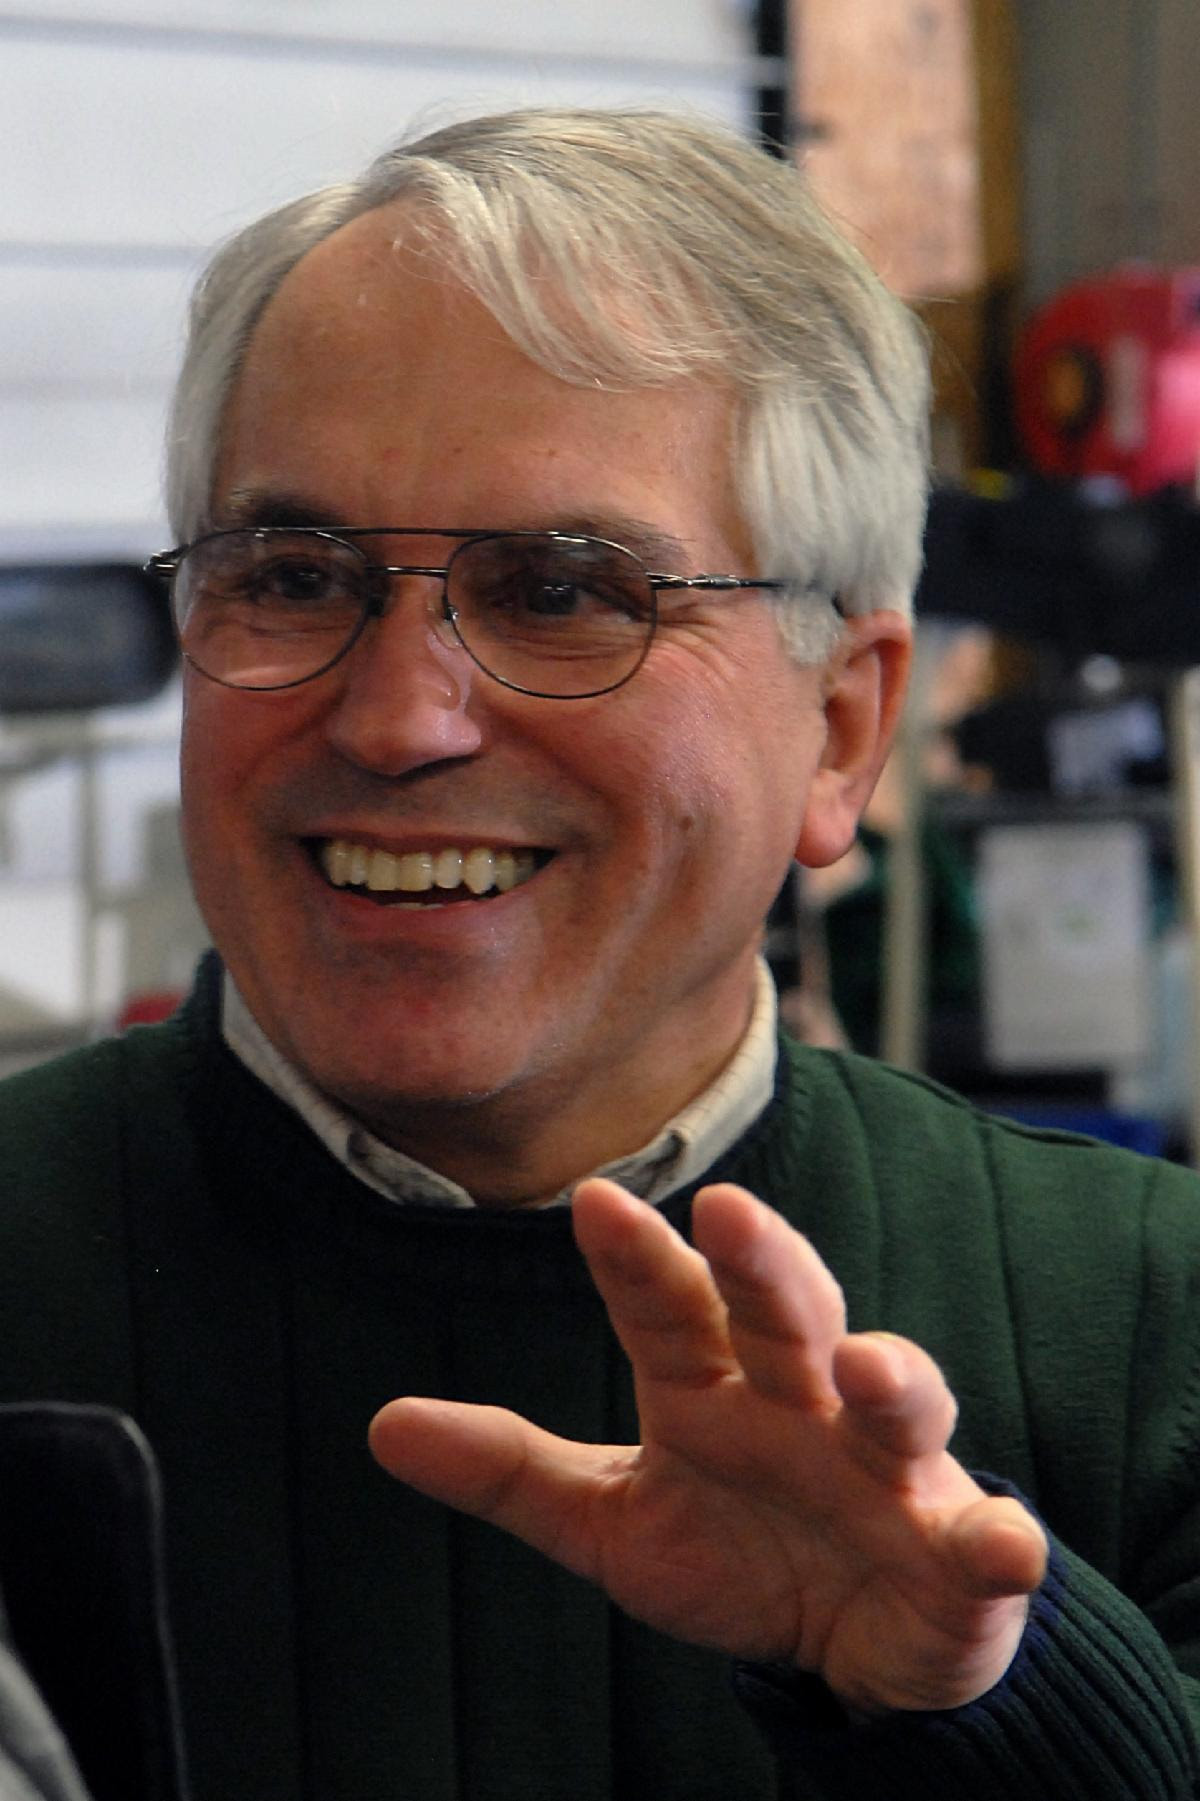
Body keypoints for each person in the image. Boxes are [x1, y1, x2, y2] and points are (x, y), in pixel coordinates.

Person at [0, 106, 1196, 1801]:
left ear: (842, 731)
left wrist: (1000, 1709)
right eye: (296, 574)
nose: (399, 716)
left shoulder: (1154, 1334)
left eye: (562, 590)